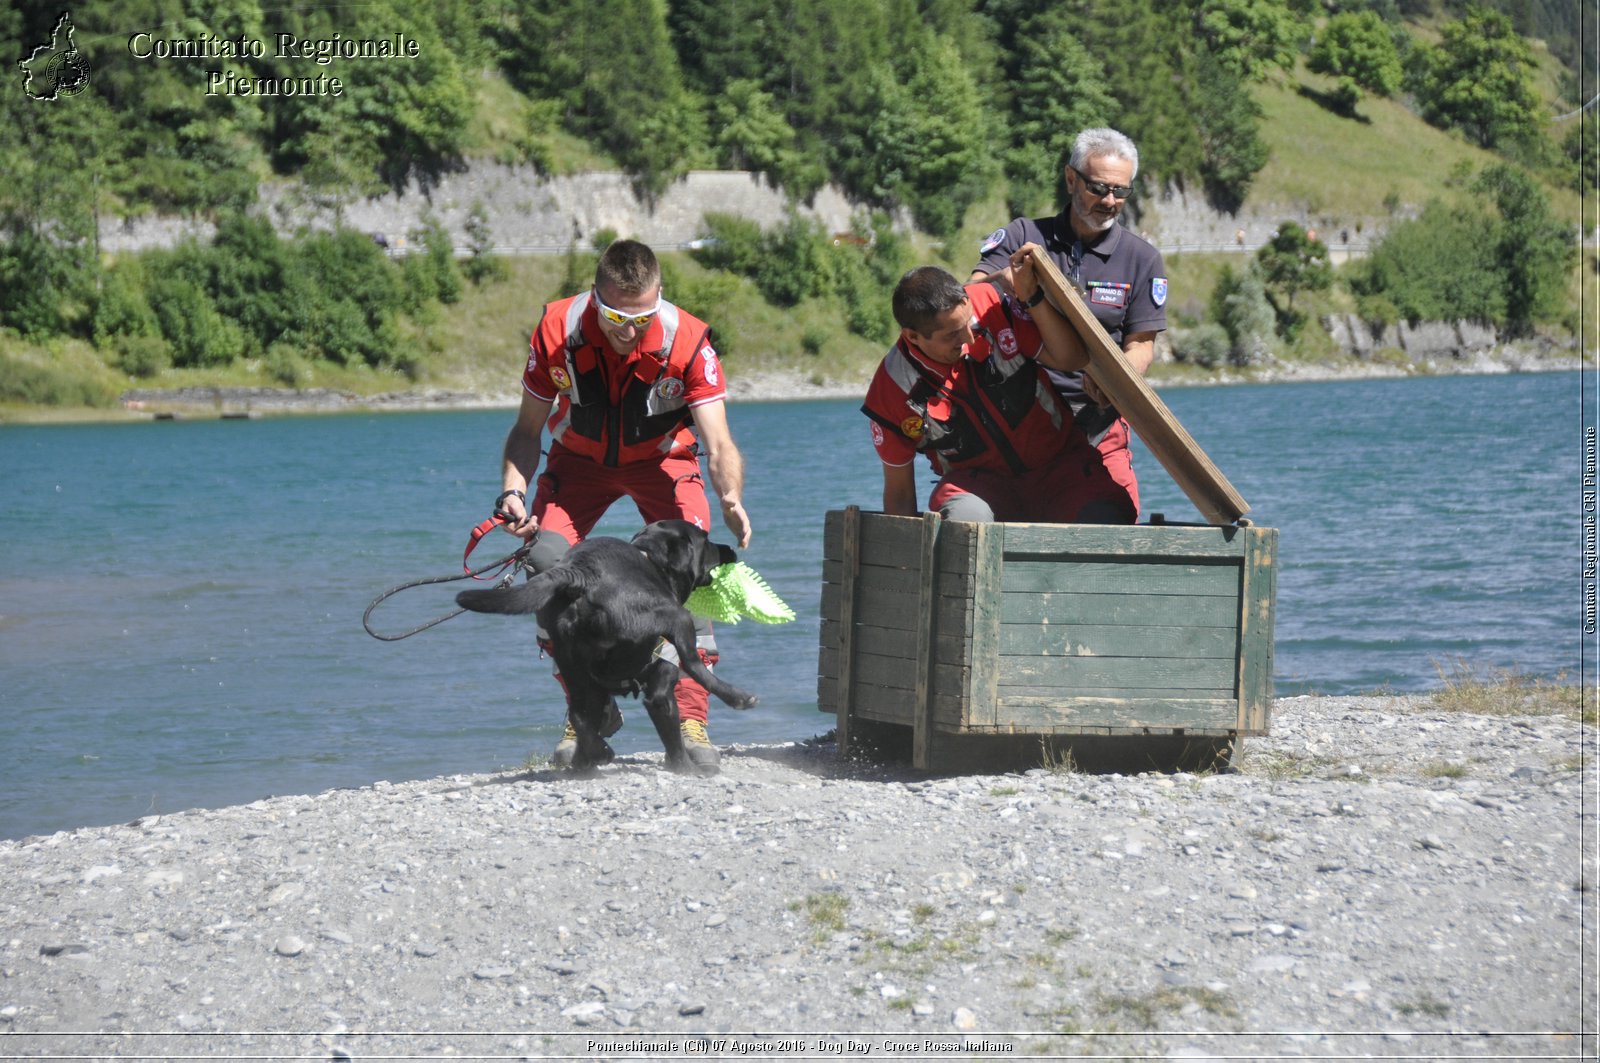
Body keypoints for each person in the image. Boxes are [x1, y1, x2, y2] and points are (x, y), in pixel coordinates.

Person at [492, 239, 752, 772]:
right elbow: (525, 431)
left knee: (697, 574)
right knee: (547, 566)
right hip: (578, 464)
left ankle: (690, 715)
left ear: (659, 300)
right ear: (595, 298)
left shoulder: (689, 341)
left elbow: (720, 443)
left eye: (643, 317)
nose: (628, 330)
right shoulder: (557, 331)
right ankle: (588, 710)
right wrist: (513, 493)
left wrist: (730, 495)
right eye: (615, 317)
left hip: (661, 462)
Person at [970, 127, 1167, 521]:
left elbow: (1142, 343)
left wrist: (1118, 380)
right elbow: (975, 290)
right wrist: (1012, 285)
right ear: (1071, 179)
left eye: (1121, 191)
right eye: (1098, 188)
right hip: (1020, 417)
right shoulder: (1024, 235)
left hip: (1097, 422)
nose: (1110, 201)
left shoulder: (1142, 258)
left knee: (1113, 523)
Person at [862, 246, 1128, 524]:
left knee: (1107, 516)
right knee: (965, 524)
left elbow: (1072, 358)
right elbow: (900, 494)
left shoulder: (989, 304)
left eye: (968, 323)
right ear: (913, 337)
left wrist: (1031, 297)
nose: (968, 338)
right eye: (952, 335)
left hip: (1060, 468)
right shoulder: (891, 390)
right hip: (979, 487)